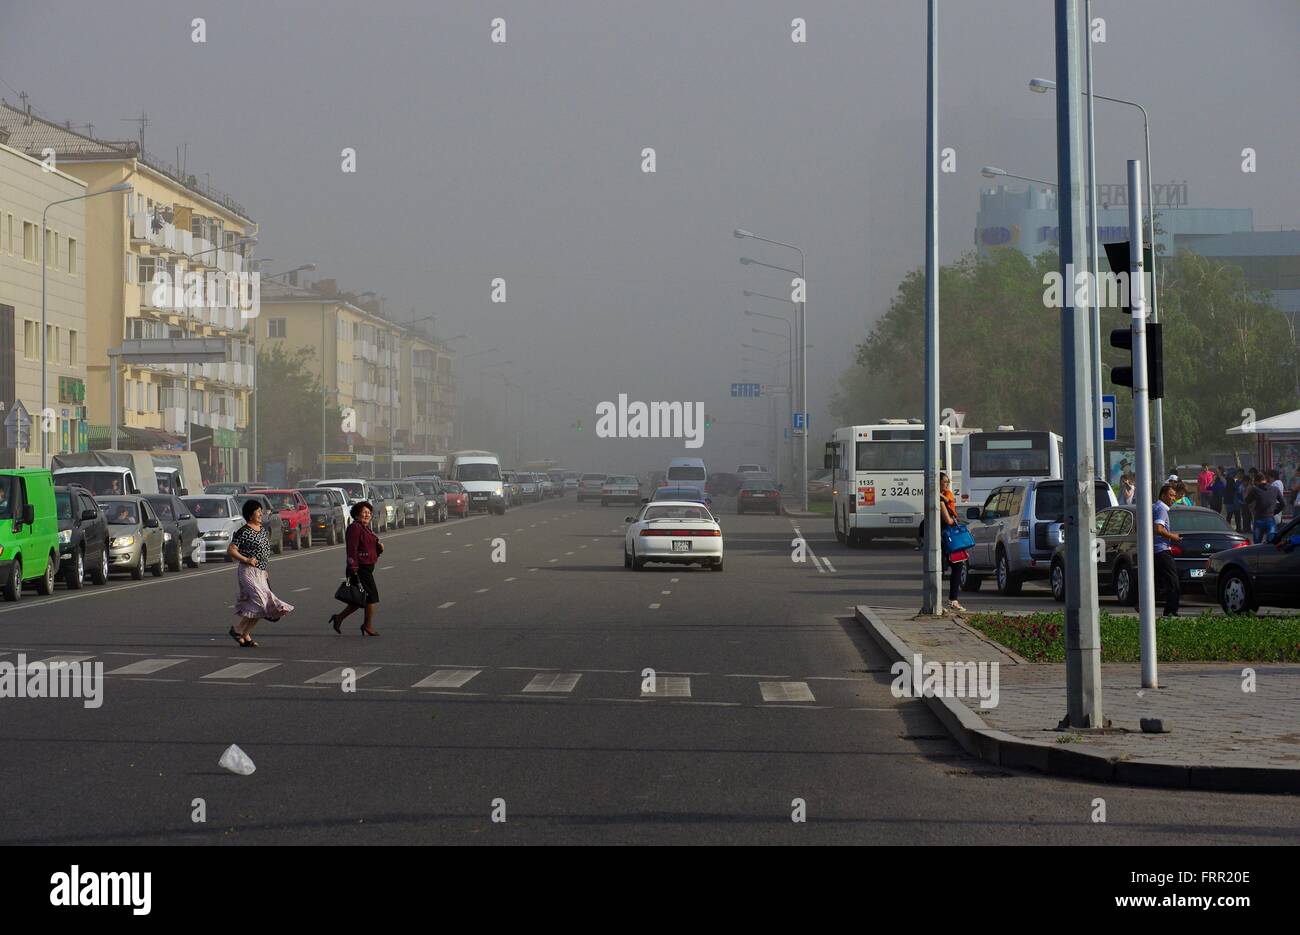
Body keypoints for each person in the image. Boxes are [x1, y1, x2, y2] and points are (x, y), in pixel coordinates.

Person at [227, 499, 294, 647]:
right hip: (248, 572)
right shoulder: (244, 531)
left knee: (262, 605)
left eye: (260, 511)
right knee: (260, 601)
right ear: (250, 515)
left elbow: (263, 552)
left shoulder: (262, 529)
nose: (260, 514)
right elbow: (231, 550)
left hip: (260, 573)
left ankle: (245, 634)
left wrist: (264, 569)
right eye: (257, 511)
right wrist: (246, 559)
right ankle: (237, 629)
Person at [332, 501, 382, 636]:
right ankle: (367, 625)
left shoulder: (366, 529)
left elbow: (369, 549)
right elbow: (352, 549)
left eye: (369, 513)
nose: (367, 515)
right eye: (364, 512)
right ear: (357, 513)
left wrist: (379, 549)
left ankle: (338, 618)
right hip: (359, 569)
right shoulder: (355, 528)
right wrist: (353, 567)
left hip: (366, 567)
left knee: (358, 599)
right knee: (371, 598)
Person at [938, 473, 968, 614]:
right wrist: (954, 519)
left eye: (948, 482)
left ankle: (946, 600)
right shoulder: (940, 500)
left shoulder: (944, 497)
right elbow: (948, 521)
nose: (947, 485)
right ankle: (953, 600)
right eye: (944, 482)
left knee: (944, 568)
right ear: (938, 483)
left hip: (943, 538)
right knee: (957, 566)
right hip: (948, 538)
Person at [1152, 483, 1182, 617]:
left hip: (1156, 550)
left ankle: (1140, 604)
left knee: (1157, 582)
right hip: (1161, 550)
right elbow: (1158, 529)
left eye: (1174, 496)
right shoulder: (1161, 509)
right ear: (1163, 495)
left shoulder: (1156, 507)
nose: (1173, 499)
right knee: (1173, 582)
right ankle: (1170, 611)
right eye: (1171, 495)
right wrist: (1173, 536)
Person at [1249, 472, 1283, 543]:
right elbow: (1283, 503)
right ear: (1265, 480)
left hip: (1259, 519)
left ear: (1256, 481)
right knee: (1271, 542)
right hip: (1270, 518)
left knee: (1257, 544)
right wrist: (1275, 512)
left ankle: (1258, 554)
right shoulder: (1275, 489)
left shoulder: (1255, 489)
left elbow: (1247, 501)